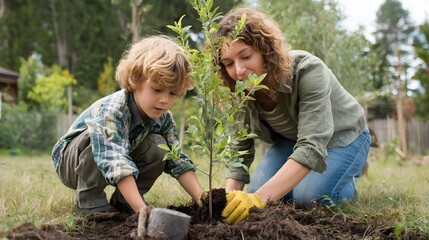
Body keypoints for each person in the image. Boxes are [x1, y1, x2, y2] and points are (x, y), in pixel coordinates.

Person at [216, 7, 371, 224]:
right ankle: (313, 179)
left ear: (264, 50)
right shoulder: (240, 90)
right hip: (294, 139)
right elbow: (240, 151)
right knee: (262, 190)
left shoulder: (308, 70)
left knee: (309, 198)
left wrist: (258, 199)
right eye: (229, 63)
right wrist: (228, 203)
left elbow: (311, 146)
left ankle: (347, 179)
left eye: (246, 56)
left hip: (344, 136)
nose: (239, 70)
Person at [52, 35, 203, 215]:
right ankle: (90, 201)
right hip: (71, 163)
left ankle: (126, 201)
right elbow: (114, 159)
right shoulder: (113, 110)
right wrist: (143, 211)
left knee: (160, 147)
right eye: (157, 90)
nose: (164, 100)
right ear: (136, 79)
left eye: (173, 94)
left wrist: (202, 198)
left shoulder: (164, 117)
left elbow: (176, 159)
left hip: (116, 160)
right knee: (100, 136)